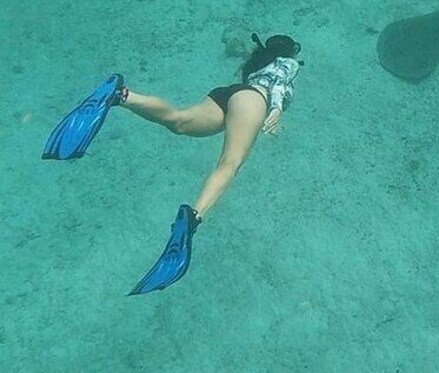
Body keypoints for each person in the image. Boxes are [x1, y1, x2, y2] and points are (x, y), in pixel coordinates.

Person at [41, 33, 302, 295]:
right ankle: (193, 218)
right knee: (229, 164)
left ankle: (120, 95)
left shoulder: (259, 60)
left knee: (178, 120)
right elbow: (278, 83)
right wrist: (276, 109)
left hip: (228, 94)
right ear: (290, 52)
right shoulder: (287, 63)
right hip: (254, 100)